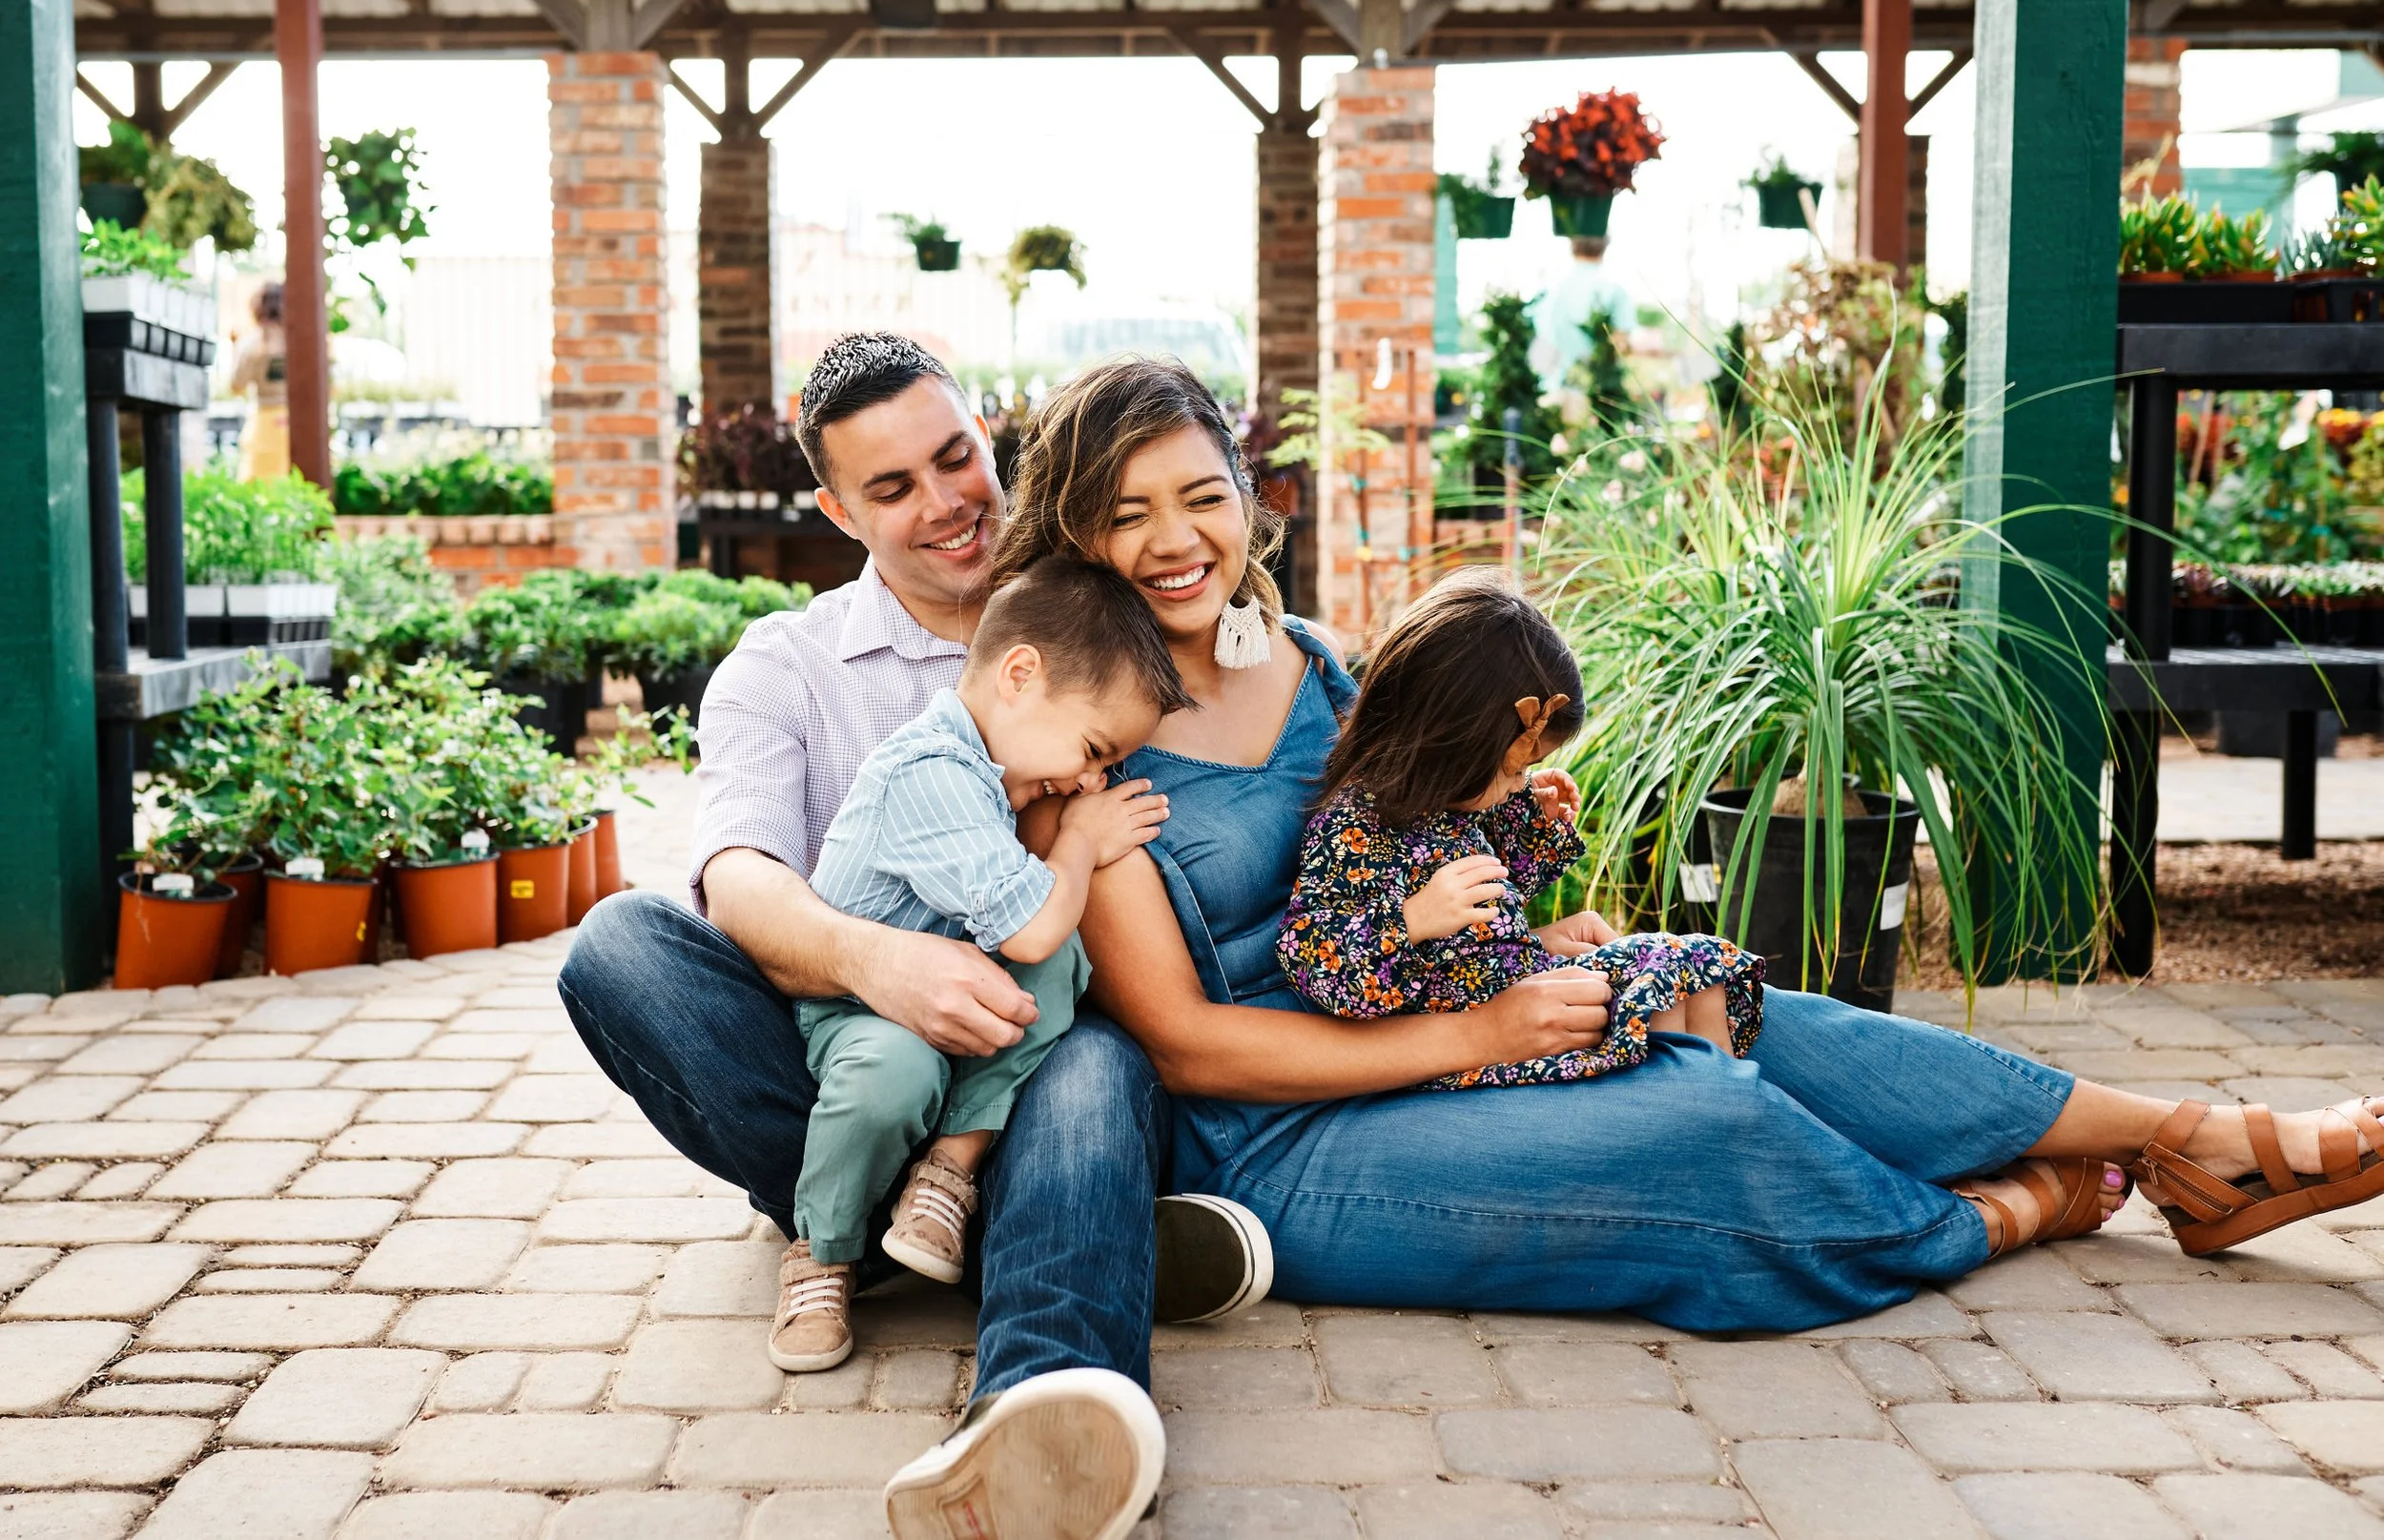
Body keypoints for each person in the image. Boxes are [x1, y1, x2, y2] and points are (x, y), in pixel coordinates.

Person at [985, 352, 2384, 1331]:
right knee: (1708, 1115)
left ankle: (2192, 1142)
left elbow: (1409, 859)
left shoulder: (1314, 661)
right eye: (1125, 514)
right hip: (1276, 1136)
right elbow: (1184, 1046)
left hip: (1430, 1017)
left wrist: (1533, 938)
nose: (1176, 539)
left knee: (1754, 1008)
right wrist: (1482, 1035)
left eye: (1200, 494)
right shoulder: (1085, 755)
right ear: (1076, 537)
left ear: (1245, 490)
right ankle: (1996, 1213)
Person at [560, 333, 1273, 1540]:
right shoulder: (782, 667)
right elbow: (737, 875)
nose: (946, 503)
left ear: (989, 441)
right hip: (846, 1046)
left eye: (957, 458)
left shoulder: (1100, 619)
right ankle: (1047, 1226)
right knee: (619, 944)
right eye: (893, 487)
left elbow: (1256, 665)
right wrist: (879, 960)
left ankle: (1039, 1401)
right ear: (839, 509)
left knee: (1092, 1058)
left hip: (1023, 1059)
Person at [774, 555, 1190, 1374]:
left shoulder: (989, 769)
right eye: (1093, 747)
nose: (1089, 776)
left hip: (953, 985)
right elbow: (1031, 925)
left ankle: (948, 1171)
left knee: (1059, 969)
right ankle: (821, 1250)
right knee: (896, 1068)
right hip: (861, 1009)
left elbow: (1039, 952)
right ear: (1020, 673)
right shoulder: (930, 772)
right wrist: (1077, 840)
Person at [1276, 568, 1761, 1086]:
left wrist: (1532, 817)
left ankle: (1714, 1101)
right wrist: (1412, 920)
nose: (1518, 782)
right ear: (1452, 744)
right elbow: (1313, 960)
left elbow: (1499, 894)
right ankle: (1701, 1110)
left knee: (1696, 973)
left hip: (1522, 989)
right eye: (1512, 769)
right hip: (1479, 1041)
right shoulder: (1353, 830)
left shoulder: (1445, 804)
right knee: (1677, 971)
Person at [1531, 234, 1633, 389]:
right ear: (1605, 246)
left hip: (1550, 384)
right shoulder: (1614, 291)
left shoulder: (1551, 289)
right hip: (1594, 388)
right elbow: (1621, 344)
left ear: (1572, 245)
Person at [229, 281, 289, 482]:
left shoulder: (252, 344)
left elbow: (237, 385)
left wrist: (234, 347)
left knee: (257, 484)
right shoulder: (298, 341)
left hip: (264, 421)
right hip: (295, 421)